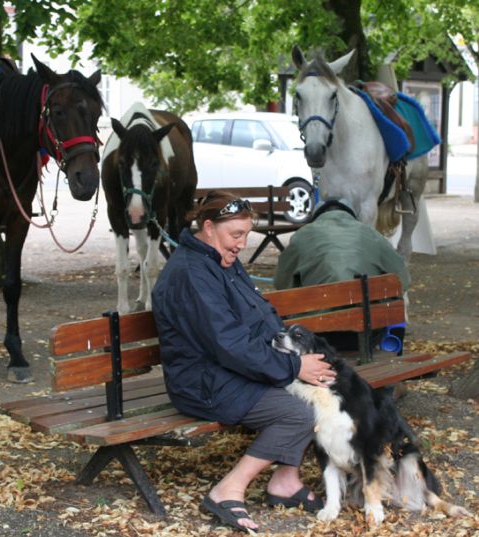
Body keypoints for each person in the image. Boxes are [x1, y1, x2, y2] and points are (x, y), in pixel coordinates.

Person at [152, 190, 336, 532]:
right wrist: (293, 368)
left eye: (246, 236)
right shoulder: (192, 273)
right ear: (208, 228)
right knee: (299, 411)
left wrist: (294, 358)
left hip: (228, 371)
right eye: (235, 235)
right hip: (203, 383)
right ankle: (227, 490)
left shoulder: (219, 260)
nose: (241, 245)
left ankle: (285, 481)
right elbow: (228, 343)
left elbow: (260, 317)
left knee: (319, 391)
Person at [274, 197, 411, 351]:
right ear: (351, 215)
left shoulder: (302, 235)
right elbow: (402, 280)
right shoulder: (370, 233)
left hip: (317, 335)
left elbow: (281, 284)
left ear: (316, 216)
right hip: (367, 334)